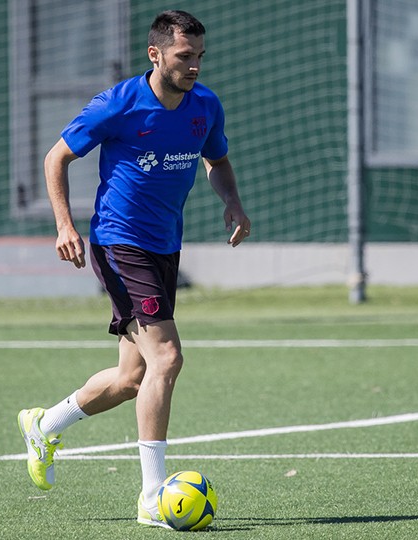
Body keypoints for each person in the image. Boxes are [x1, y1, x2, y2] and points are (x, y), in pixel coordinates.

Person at [16, 10, 250, 529]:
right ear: (156, 54)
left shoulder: (205, 105)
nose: (194, 67)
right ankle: (151, 497)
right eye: (184, 57)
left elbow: (218, 161)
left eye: (199, 57)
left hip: (165, 245)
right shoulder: (119, 103)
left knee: (131, 376)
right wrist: (64, 225)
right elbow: (57, 157)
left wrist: (231, 202)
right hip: (120, 243)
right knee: (166, 357)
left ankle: (44, 425)